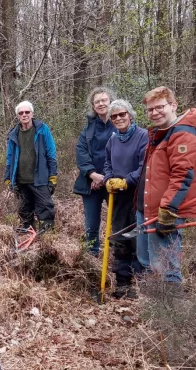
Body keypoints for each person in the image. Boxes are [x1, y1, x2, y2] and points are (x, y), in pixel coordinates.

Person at [137, 86, 196, 287]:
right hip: (147, 209)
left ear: (173, 105)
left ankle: (171, 312)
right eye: (150, 110)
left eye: (159, 107)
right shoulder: (163, 133)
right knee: (149, 262)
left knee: (166, 267)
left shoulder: (182, 134)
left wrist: (167, 209)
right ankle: (155, 307)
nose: (154, 113)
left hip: (164, 212)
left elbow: (182, 176)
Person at [103, 100, 149, 299]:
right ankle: (122, 282)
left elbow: (144, 166)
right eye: (114, 116)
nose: (119, 119)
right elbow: (107, 163)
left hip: (138, 196)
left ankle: (138, 283)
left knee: (138, 238)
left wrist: (126, 181)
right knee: (120, 237)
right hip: (118, 198)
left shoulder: (143, 136)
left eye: (122, 114)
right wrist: (108, 179)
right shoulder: (112, 140)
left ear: (130, 115)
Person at [73, 87, 118, 256]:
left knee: (118, 221)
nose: (101, 104)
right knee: (91, 222)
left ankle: (118, 254)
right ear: (93, 106)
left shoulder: (120, 125)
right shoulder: (88, 130)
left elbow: (124, 153)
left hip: (114, 182)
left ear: (110, 101)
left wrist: (107, 178)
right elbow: (81, 153)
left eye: (104, 100)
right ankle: (92, 254)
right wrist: (92, 174)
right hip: (91, 183)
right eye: (97, 101)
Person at [3, 101, 58, 233]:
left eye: (27, 112)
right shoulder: (13, 134)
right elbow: (9, 157)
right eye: (21, 113)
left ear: (32, 113)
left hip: (40, 179)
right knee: (24, 210)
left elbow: (51, 153)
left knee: (45, 208)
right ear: (17, 116)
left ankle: (47, 237)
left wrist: (53, 176)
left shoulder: (42, 129)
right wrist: (8, 177)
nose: (24, 115)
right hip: (21, 181)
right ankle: (27, 236)